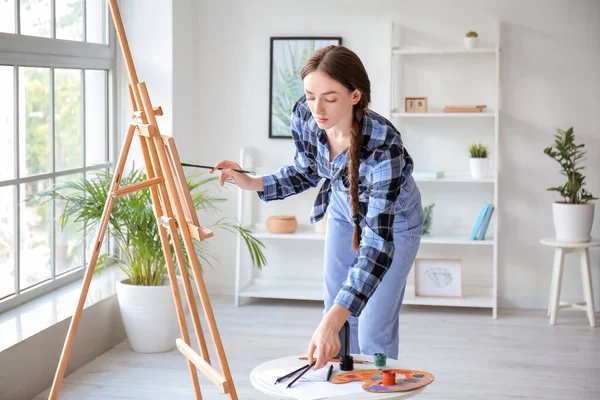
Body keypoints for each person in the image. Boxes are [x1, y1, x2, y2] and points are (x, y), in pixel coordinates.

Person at [211, 45, 423, 370]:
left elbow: (377, 246)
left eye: (330, 97)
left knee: (370, 329)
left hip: (392, 223)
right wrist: (252, 182)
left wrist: (331, 321)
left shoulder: (384, 150)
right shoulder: (306, 117)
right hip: (342, 205)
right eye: (310, 95)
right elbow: (307, 169)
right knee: (335, 310)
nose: (317, 108)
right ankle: (340, 386)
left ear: (355, 95)